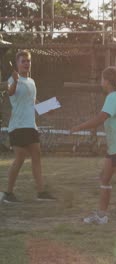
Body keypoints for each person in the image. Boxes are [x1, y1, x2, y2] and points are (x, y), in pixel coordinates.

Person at [70, 66, 116, 229]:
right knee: (104, 177)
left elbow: (101, 118)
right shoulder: (114, 95)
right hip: (115, 146)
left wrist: (80, 127)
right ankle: (102, 216)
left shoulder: (112, 96)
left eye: (102, 79)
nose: (100, 82)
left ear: (108, 81)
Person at [3, 50, 56, 203]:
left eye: (28, 61)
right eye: (23, 61)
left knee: (36, 156)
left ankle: (41, 192)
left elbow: (32, 102)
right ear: (17, 64)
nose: (26, 63)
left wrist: (46, 109)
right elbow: (10, 93)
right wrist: (14, 80)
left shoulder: (31, 82)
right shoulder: (12, 80)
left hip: (30, 125)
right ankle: (8, 193)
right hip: (17, 126)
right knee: (20, 159)